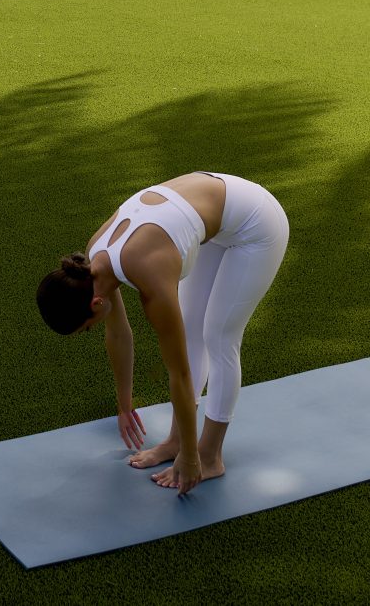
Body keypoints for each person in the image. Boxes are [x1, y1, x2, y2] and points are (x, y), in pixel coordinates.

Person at [35, 172, 289, 496]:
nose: (93, 329)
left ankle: (210, 455)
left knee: (219, 337)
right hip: (216, 223)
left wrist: (193, 459)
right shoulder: (95, 264)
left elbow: (179, 373)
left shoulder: (150, 275)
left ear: (95, 304)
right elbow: (118, 336)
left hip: (257, 223)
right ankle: (175, 442)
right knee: (193, 327)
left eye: (87, 328)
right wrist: (124, 404)